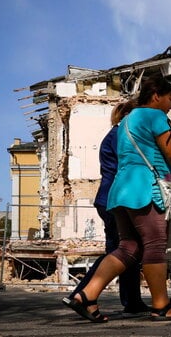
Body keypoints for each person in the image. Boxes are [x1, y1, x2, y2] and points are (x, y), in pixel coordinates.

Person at [64, 75, 171, 323]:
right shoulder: (154, 116)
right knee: (155, 244)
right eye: (170, 99)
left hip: (120, 192)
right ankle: (161, 306)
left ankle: (86, 296)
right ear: (156, 96)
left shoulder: (125, 122)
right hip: (144, 189)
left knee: (128, 248)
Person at [62, 99, 151, 315]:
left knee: (129, 250)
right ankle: (82, 294)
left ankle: (132, 302)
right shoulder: (121, 136)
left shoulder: (114, 135)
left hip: (109, 198)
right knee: (121, 251)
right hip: (116, 199)